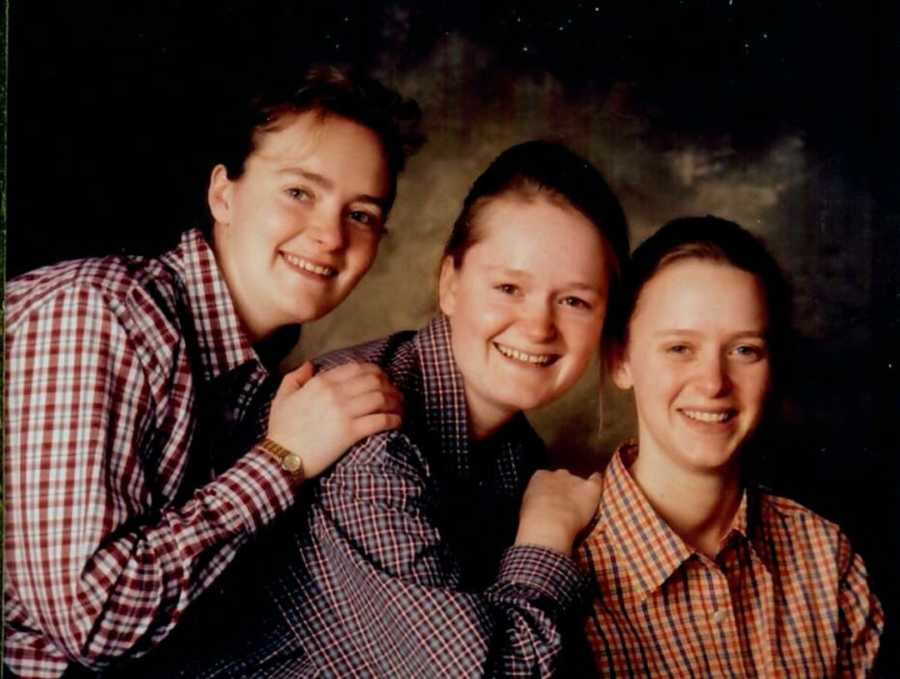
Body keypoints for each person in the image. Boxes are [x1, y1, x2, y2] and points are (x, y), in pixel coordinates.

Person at [148, 140, 630, 678]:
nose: (539, 326)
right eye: (508, 287)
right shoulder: (367, 443)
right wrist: (546, 536)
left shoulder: (514, 452)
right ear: (450, 284)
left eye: (575, 301)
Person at [4, 65, 423, 679]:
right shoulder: (105, 315)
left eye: (360, 213)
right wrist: (283, 459)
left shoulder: (247, 376)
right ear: (223, 194)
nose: (330, 236)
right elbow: (92, 620)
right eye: (299, 192)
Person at [576, 216, 883, 676]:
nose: (714, 383)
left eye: (744, 350)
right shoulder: (562, 579)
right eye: (680, 348)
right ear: (620, 360)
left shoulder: (824, 554)